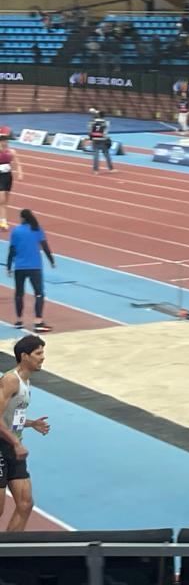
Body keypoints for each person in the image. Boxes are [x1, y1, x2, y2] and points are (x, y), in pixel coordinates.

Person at [0, 335, 50, 531]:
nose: (42, 357)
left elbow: (9, 417)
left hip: (12, 446)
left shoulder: (26, 383)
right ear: (24, 356)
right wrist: (17, 443)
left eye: (42, 353)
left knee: (25, 504)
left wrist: (30, 423)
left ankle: (8, 552)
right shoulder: (11, 380)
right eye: (38, 353)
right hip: (2, 446)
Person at [6, 210, 55, 334]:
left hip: (20, 267)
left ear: (22, 218)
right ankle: (38, 321)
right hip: (34, 267)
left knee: (19, 294)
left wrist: (8, 266)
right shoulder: (37, 229)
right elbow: (45, 246)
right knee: (39, 294)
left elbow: (12, 250)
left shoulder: (16, 231)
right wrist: (51, 260)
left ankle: (19, 321)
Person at [0, 135, 22, 231]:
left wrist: (20, 173)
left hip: (8, 177)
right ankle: (3, 222)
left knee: (5, 202)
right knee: (2, 200)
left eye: (6, 141)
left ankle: (3, 221)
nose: (5, 143)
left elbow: (18, 163)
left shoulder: (12, 152)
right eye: (3, 141)